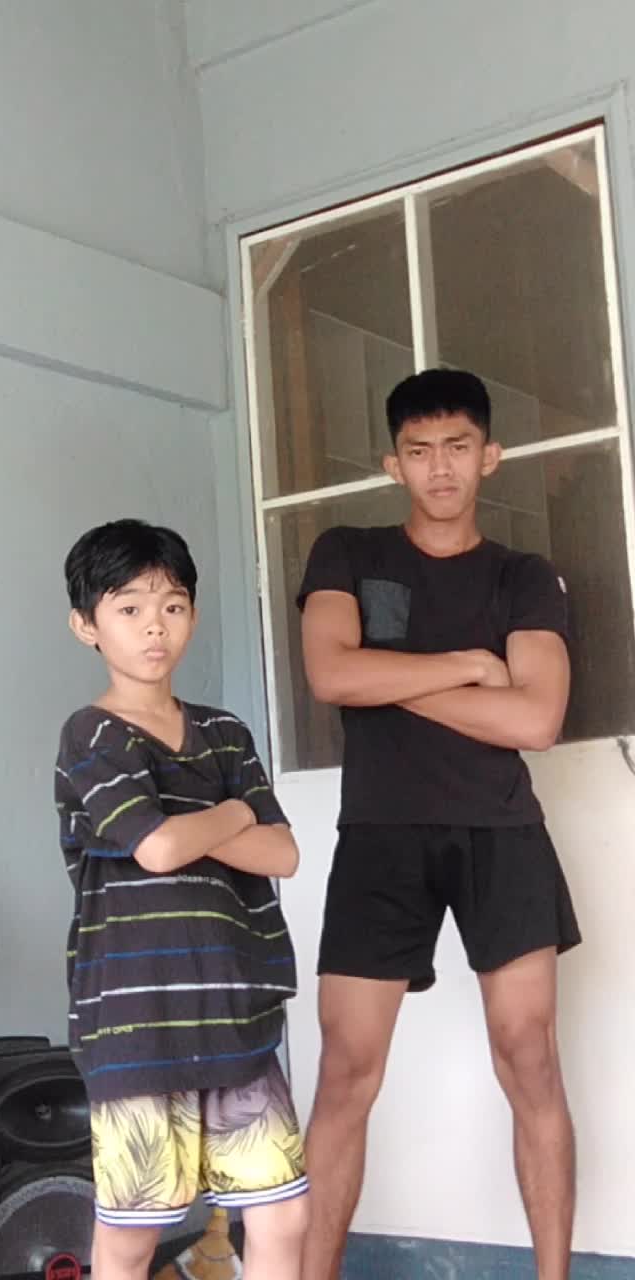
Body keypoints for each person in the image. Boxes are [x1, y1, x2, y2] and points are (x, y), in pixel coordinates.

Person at [297, 368, 580, 1280]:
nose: (440, 467)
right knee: (346, 1069)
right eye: (419, 451)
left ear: (489, 456)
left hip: (501, 834)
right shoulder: (345, 551)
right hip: (380, 834)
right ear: (395, 464)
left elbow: (536, 719)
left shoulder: (522, 576)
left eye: (458, 447)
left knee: (530, 1058)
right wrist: (466, 667)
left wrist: (386, 677)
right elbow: (331, 675)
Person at [55, 519, 308, 1280]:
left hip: (236, 1014)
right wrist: (232, 814)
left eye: (171, 606)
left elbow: (284, 853)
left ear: (193, 616)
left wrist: (192, 826)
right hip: (139, 1025)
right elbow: (157, 850)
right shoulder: (91, 735)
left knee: (283, 1215)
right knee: (134, 1234)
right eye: (129, 608)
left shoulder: (225, 733)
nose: (153, 626)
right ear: (86, 625)